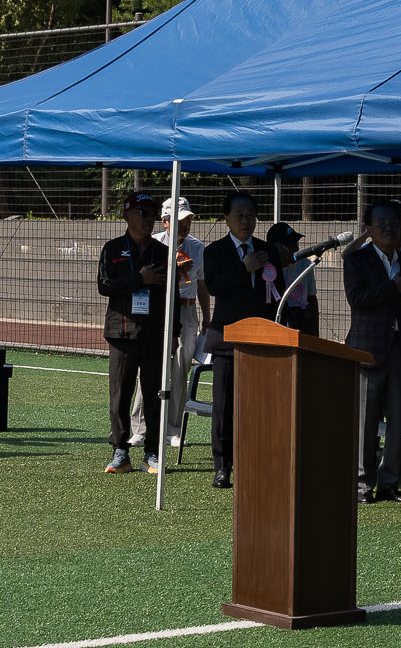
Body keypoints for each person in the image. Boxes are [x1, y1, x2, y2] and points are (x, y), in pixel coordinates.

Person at [200, 190, 283, 489]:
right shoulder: (215, 251)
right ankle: (223, 467)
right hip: (226, 340)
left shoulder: (267, 250)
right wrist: (244, 268)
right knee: (223, 406)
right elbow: (213, 286)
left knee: (258, 405)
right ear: (226, 219)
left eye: (250, 214)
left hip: (261, 340)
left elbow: (278, 293)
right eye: (239, 215)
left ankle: (255, 461)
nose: (246, 220)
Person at [342, 199, 401, 502]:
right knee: (365, 421)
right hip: (368, 351)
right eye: (382, 223)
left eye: (395, 222)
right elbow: (357, 299)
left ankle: (390, 482)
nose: (389, 228)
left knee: (399, 420)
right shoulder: (356, 260)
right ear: (369, 229)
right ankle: (362, 484)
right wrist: (394, 287)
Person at [97, 191, 168, 474]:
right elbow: (104, 286)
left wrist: (172, 331)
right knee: (120, 396)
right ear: (127, 215)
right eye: (144, 213)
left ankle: (152, 452)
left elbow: (169, 295)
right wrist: (140, 278)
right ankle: (120, 451)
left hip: (154, 333)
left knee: (154, 394)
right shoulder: (112, 249)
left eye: (152, 213)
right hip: (122, 332)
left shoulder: (162, 252)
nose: (150, 219)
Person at [137, 197, 204, 455]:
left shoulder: (197, 247)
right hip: (159, 310)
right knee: (151, 368)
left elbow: (202, 283)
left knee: (180, 370)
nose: (184, 225)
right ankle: (140, 429)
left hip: (187, 309)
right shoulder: (153, 245)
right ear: (164, 222)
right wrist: (173, 269)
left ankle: (173, 430)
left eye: (187, 220)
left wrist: (207, 318)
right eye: (178, 221)